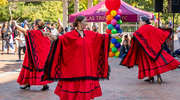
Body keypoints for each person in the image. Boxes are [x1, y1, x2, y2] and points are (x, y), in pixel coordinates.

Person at [42, 15, 122, 100]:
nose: (86, 23)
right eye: (84, 21)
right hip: (75, 67)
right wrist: (50, 34)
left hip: (87, 67)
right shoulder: (71, 35)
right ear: (79, 23)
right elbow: (60, 40)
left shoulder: (89, 33)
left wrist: (115, 35)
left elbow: (101, 37)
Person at [120, 16, 180, 84]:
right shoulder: (151, 27)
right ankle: (154, 76)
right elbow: (158, 33)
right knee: (156, 61)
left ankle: (152, 76)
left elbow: (137, 35)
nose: (139, 22)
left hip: (146, 50)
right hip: (154, 48)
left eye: (140, 21)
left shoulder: (143, 28)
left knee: (148, 63)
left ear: (144, 22)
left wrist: (132, 35)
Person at [13, 19, 52, 90]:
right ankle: (44, 84)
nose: (33, 25)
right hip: (41, 54)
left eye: (34, 24)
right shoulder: (43, 32)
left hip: (33, 54)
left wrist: (16, 25)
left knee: (29, 66)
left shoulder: (35, 32)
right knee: (41, 68)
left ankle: (27, 83)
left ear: (37, 25)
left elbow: (24, 31)